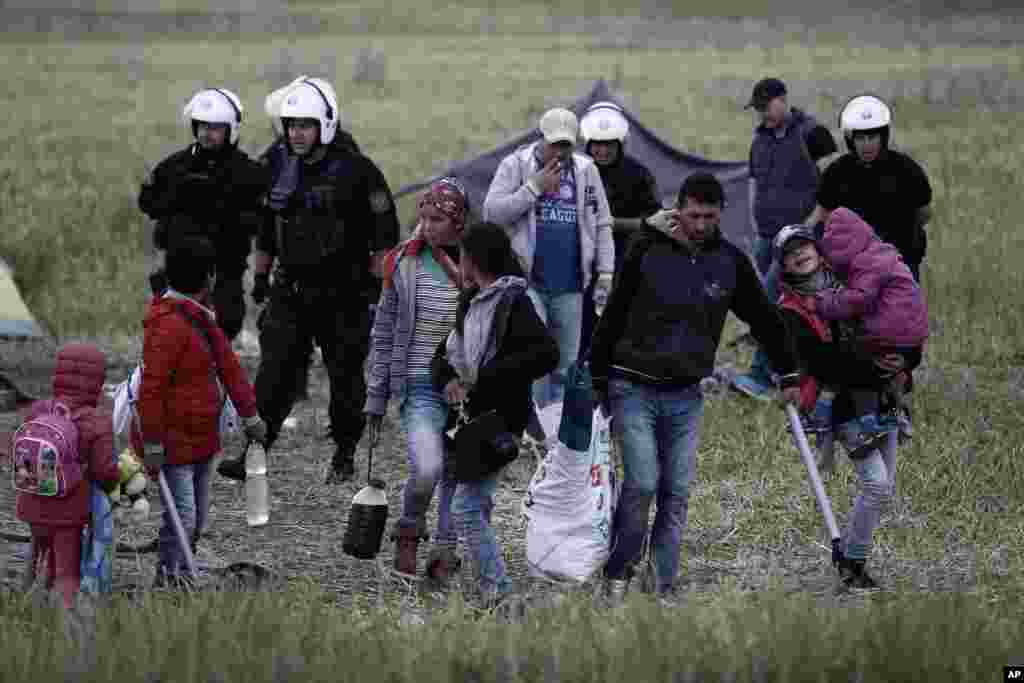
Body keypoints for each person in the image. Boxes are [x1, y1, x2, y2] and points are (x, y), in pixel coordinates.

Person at [588, 173, 801, 604]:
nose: (701, 224)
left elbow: (764, 318)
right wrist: (596, 377)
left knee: (677, 490)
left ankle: (662, 581)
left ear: (720, 213)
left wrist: (789, 373)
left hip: (686, 394)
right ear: (678, 209)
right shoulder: (645, 249)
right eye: (693, 215)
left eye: (709, 216)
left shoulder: (729, 262)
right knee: (643, 482)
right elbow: (612, 314)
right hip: (632, 386)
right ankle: (618, 571)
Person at [218, 76, 400, 483]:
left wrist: (376, 291)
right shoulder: (276, 164)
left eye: (305, 124)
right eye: (291, 124)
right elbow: (265, 225)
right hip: (291, 291)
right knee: (274, 372)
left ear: (325, 125)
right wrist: (260, 278)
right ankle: (255, 450)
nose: (297, 133)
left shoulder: (358, 170)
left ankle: (344, 453)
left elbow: (385, 235)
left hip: (346, 294)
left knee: (345, 376)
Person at [771, 221, 923, 588]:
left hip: (883, 394)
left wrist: (906, 359)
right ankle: (851, 562)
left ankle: (854, 562)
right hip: (841, 403)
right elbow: (823, 362)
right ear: (783, 266)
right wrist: (873, 360)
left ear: (820, 249)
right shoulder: (789, 310)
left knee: (884, 487)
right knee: (876, 485)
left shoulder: (854, 282)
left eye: (804, 245)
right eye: (790, 253)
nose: (799, 254)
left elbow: (900, 321)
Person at [431, 222, 559, 606]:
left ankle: (498, 589)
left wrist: (484, 377)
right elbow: (446, 353)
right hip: (469, 419)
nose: (460, 262)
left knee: (467, 507)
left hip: (498, 420)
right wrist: (450, 379)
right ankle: (475, 577)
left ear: (475, 259)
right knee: (471, 499)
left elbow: (546, 354)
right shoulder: (471, 301)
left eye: (463, 255)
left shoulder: (513, 302)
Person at [138, 237, 267, 588]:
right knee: (182, 515)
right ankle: (168, 579)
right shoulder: (168, 325)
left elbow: (231, 370)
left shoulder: (202, 320)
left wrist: (251, 416)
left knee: (195, 517)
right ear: (209, 277)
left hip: (201, 441)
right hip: (172, 444)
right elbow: (151, 391)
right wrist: (152, 444)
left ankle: (179, 571)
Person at [364, 178, 469, 582]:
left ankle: (444, 550)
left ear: (458, 223)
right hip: (420, 385)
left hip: (464, 388)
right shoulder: (402, 264)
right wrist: (376, 395)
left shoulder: (475, 267)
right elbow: (385, 331)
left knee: (457, 473)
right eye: (423, 217)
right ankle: (409, 528)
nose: (426, 226)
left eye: (437, 219)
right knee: (428, 468)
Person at [483, 107, 614, 411]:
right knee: (535, 359)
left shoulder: (585, 170)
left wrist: (605, 272)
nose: (560, 151)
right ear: (541, 138)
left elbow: (602, 222)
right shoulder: (516, 165)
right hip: (528, 282)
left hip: (571, 284)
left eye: (566, 145)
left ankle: (558, 435)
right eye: (555, 143)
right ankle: (533, 429)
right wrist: (534, 188)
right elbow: (492, 212)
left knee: (566, 363)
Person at [733, 77, 838, 400]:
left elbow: (835, 182)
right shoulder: (759, 139)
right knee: (786, 308)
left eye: (766, 106)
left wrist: (811, 227)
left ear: (783, 100)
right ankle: (793, 372)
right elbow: (754, 181)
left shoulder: (812, 133)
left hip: (799, 242)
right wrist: (753, 223)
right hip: (767, 237)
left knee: (766, 306)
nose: (763, 113)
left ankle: (760, 376)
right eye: (759, 108)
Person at [138, 87, 268, 342]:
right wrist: (180, 202)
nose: (207, 134)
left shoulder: (248, 172)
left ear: (231, 130)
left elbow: (261, 218)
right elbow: (148, 202)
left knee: (225, 325)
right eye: (202, 126)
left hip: (226, 268)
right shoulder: (174, 167)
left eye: (215, 127)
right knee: (173, 330)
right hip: (180, 269)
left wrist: (226, 212)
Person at [15, 344, 121, 608]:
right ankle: (66, 628)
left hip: (31, 504)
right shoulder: (97, 422)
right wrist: (118, 483)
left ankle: (19, 605)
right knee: (67, 571)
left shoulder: (38, 411)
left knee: (36, 553)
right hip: (68, 513)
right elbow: (104, 471)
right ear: (97, 381)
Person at [810, 208, 928, 443]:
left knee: (856, 364)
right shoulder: (883, 253)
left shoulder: (866, 263)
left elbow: (858, 299)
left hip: (889, 333)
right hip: (913, 336)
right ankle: (896, 413)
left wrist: (824, 302)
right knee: (890, 374)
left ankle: (866, 421)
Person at [806, 94, 933, 282]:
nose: (867, 144)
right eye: (860, 138)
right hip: (852, 270)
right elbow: (821, 216)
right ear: (851, 139)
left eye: (872, 137)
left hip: (901, 265)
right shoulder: (836, 173)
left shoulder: (907, 170)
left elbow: (924, 213)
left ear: (883, 136)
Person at [577, 101, 662, 359]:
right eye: (596, 144)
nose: (601, 150)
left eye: (608, 144)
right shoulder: (575, 171)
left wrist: (610, 223)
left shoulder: (638, 175)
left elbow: (654, 221)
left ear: (620, 144)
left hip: (624, 260)